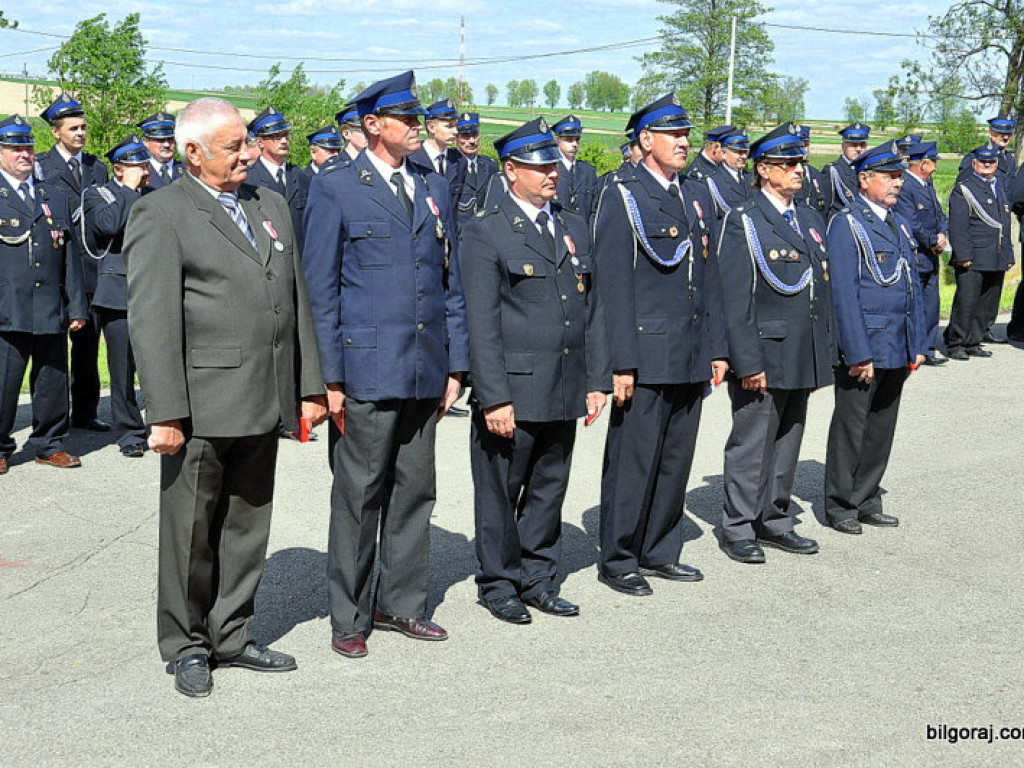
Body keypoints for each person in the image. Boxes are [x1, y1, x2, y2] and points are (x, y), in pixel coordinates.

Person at [124, 97, 327, 698]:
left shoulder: (269, 204)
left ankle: (232, 633)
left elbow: (297, 301)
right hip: (201, 401)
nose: (248, 153)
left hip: (262, 396)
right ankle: (187, 644)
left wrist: (308, 386)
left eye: (247, 143)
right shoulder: (162, 213)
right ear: (193, 152)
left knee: (246, 525)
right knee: (191, 531)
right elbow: (153, 319)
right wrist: (163, 410)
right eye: (234, 146)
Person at [301, 71, 470, 659]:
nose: (416, 126)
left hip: (425, 368)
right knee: (360, 495)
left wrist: (456, 364)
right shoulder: (337, 185)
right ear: (374, 125)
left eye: (417, 118)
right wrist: (330, 379)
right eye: (405, 118)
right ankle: (347, 616)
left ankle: (401, 604)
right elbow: (320, 289)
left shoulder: (430, 182)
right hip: (367, 370)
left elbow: (448, 279)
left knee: (415, 491)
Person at [460, 117, 609, 624]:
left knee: (550, 487)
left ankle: (538, 577)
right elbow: (481, 323)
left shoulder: (569, 225)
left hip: (563, 382)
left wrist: (595, 380)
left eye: (553, 165)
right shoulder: (487, 231)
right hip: (515, 389)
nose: (551, 174)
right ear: (510, 170)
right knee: (501, 491)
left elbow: (590, 309)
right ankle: (499, 582)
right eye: (539, 166)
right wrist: (494, 396)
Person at [592, 93, 727, 596]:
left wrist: (716, 347)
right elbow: (613, 285)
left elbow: (707, 276)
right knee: (634, 460)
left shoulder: (693, 193)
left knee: (676, 459)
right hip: (645, 354)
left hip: (690, 351)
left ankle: (660, 548)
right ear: (646, 140)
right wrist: (620, 361)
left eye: (686, 134)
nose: (684, 142)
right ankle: (620, 555)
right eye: (673, 134)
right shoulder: (623, 193)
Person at [717, 122, 835, 564]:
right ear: (764, 170)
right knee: (753, 441)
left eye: (800, 162)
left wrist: (824, 350)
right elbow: (735, 299)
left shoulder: (807, 217)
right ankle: (740, 525)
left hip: (800, 347)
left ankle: (775, 517)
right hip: (764, 350)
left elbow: (820, 290)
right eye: (788, 164)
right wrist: (746, 361)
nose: (798, 170)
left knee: (789, 437)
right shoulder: (744, 220)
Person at [824, 141, 928, 535]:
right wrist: (857, 352)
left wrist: (916, 344)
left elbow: (910, 289)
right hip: (865, 345)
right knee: (852, 428)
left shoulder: (897, 222)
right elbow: (844, 295)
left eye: (900, 176)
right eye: (889, 176)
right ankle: (840, 504)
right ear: (865, 179)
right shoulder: (847, 223)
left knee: (882, 426)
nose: (897, 183)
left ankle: (867, 498)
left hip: (896, 344)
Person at [0, 115, 87, 475]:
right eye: (15, 147)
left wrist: (76, 305)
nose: (24, 154)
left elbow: (70, 257)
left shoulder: (53, 195)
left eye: (28, 147)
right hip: (9, 307)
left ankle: (49, 444)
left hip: (50, 306)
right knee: (4, 383)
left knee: (53, 380)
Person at [35, 93, 110, 433]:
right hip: (55, 268)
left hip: (91, 268)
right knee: (48, 349)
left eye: (83, 127)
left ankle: (85, 411)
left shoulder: (97, 168)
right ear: (56, 132)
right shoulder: (41, 166)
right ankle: (49, 417)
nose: (81, 133)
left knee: (87, 347)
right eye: (73, 128)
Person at [82, 135, 151, 457]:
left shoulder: (154, 196)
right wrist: (128, 190)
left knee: (157, 362)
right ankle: (130, 432)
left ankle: (164, 421)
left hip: (152, 288)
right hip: (118, 292)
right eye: (138, 165)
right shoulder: (98, 194)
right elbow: (108, 226)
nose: (145, 170)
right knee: (122, 368)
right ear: (119, 169)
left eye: (145, 164)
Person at [944, 142, 1015, 360]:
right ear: (974, 164)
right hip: (973, 255)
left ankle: (974, 340)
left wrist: (1008, 253)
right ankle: (956, 342)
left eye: (991, 161)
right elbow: (958, 225)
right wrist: (963, 255)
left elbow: (1004, 223)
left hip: (996, 254)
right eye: (983, 161)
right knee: (967, 301)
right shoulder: (964, 187)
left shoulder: (999, 185)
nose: (987, 165)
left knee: (987, 302)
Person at [893, 140, 949, 365]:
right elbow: (911, 222)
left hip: (932, 254)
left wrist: (942, 236)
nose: (935, 167)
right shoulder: (906, 186)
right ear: (923, 164)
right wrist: (932, 240)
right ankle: (915, 348)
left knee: (931, 303)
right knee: (915, 304)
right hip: (917, 254)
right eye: (933, 162)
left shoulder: (928, 184)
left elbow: (940, 215)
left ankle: (928, 347)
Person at [244, 107, 311, 252]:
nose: (284, 141)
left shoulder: (301, 177)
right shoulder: (248, 180)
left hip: (301, 260)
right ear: (260, 142)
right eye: (276, 136)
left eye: (286, 135)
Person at [451, 112, 497, 229]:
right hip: (459, 236)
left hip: (485, 235)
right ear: (456, 138)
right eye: (465, 136)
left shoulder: (490, 166)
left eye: (474, 134)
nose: (471, 141)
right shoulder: (449, 166)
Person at [552, 115, 598, 219]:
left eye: (577, 140)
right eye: (569, 140)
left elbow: (594, 211)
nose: (574, 144)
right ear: (557, 140)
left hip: (583, 232)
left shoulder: (588, 171)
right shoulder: (550, 169)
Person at [822, 122, 870, 218]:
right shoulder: (833, 170)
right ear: (843, 146)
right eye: (854, 145)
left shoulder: (869, 170)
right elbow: (825, 208)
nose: (859, 149)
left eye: (862, 145)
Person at [705, 128, 752, 219]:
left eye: (745, 151)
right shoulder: (712, 180)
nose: (744, 156)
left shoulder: (750, 178)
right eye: (738, 152)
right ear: (723, 153)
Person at [137, 112, 182, 189]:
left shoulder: (188, 170)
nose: (166, 145)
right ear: (146, 142)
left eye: (171, 139)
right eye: (160, 140)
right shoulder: (139, 173)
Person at [794, 125, 827, 214]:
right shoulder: (784, 175)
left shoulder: (815, 174)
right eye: (798, 146)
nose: (803, 150)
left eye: (805, 145)